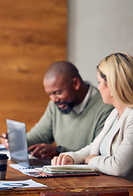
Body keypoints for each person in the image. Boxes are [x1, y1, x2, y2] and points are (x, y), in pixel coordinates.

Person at [1, 61, 113, 158]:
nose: (53, 100)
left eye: (58, 93)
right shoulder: (56, 106)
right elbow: (39, 136)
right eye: (49, 94)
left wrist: (59, 151)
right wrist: (16, 141)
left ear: (75, 83)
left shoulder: (105, 106)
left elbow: (98, 152)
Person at [52, 52, 133, 181]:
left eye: (99, 82)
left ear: (113, 85)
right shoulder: (115, 113)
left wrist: (93, 161)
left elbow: (119, 167)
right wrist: (72, 157)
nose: (99, 88)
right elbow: (94, 146)